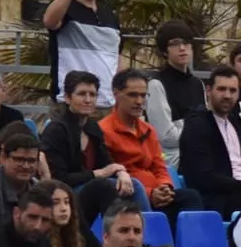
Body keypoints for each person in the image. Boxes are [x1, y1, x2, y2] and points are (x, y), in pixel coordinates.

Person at [100, 68, 202, 228]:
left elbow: (159, 166)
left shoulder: (148, 129)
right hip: (130, 196)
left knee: (190, 197)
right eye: (133, 95)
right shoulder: (104, 130)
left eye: (143, 95)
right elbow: (112, 176)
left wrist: (165, 187)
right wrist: (149, 193)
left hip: (157, 194)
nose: (139, 101)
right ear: (116, 94)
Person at [40, 70, 142, 222]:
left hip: (92, 187)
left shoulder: (93, 128)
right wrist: (97, 174)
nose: (88, 100)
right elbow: (59, 179)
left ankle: (142, 238)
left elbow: (107, 163)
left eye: (92, 95)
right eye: (82, 94)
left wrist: (121, 172)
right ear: (68, 98)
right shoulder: (56, 131)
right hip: (66, 195)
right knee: (103, 186)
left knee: (134, 184)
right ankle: (117, 234)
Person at [176, 65, 241, 217]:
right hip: (219, 199)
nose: (227, 95)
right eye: (221, 89)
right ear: (209, 90)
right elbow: (202, 177)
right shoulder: (197, 124)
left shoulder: (236, 122)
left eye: (233, 90)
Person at [42, 0, 122, 107]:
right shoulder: (65, 8)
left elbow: (117, 58)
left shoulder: (110, 15)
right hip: (70, 104)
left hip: (106, 104)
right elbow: (49, 21)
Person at [145, 20, 205, 172]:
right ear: (165, 50)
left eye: (186, 43)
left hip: (199, 154)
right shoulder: (156, 84)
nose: (182, 48)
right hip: (171, 160)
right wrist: (195, 128)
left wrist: (180, 124)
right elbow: (166, 137)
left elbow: (205, 127)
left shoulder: (198, 84)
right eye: (175, 43)